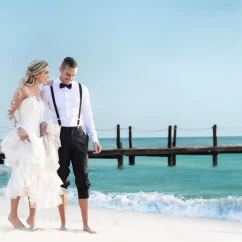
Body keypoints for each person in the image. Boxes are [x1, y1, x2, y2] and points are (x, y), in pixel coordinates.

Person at [40, 57, 102, 233]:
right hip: (58, 135)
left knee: (83, 178)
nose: (69, 78)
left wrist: (94, 138)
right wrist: (40, 122)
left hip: (79, 135)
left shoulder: (82, 89)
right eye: (67, 74)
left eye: (73, 76)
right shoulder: (48, 88)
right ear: (60, 69)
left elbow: (88, 115)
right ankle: (63, 224)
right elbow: (37, 108)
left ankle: (85, 224)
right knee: (61, 180)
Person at [1, 59, 63, 230]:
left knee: (37, 178)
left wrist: (43, 124)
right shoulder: (23, 90)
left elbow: (38, 114)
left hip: (38, 139)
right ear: (37, 74)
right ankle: (13, 215)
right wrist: (19, 128)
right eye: (46, 73)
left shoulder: (40, 92)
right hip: (25, 138)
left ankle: (32, 217)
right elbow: (9, 112)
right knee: (21, 177)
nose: (48, 76)